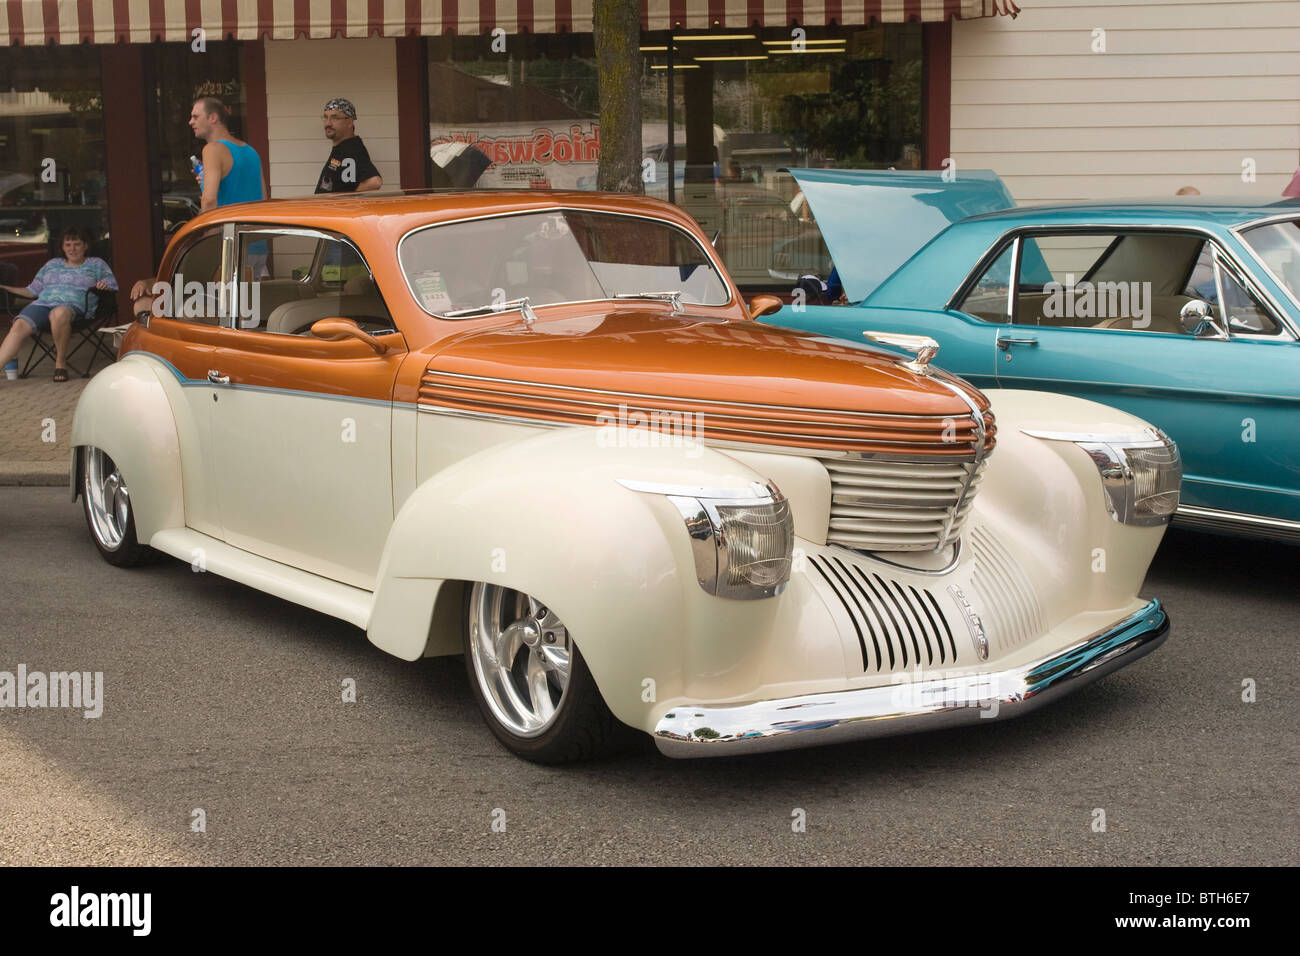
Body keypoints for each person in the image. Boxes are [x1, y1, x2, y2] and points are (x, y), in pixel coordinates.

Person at [0, 226, 117, 382]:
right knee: (19, 324)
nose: (72, 248)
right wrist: (3, 287)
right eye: (68, 245)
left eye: (77, 244)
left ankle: (60, 363)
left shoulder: (96, 264)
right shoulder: (52, 264)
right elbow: (31, 291)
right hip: (42, 304)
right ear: (62, 247)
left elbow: (113, 285)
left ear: (85, 246)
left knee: (59, 313)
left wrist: (104, 286)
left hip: (73, 307)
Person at [190, 97, 265, 210]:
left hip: (229, 226)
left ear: (212, 117)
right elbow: (263, 197)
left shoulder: (212, 149)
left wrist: (205, 227)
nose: (190, 122)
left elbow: (209, 201)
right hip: (256, 224)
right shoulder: (251, 151)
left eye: (195, 117)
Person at [315, 98, 382, 194]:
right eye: (325, 117)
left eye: (335, 118)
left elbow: (374, 182)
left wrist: (342, 201)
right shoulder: (342, 147)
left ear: (350, 122)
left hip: (335, 209)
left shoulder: (352, 149)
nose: (328, 123)